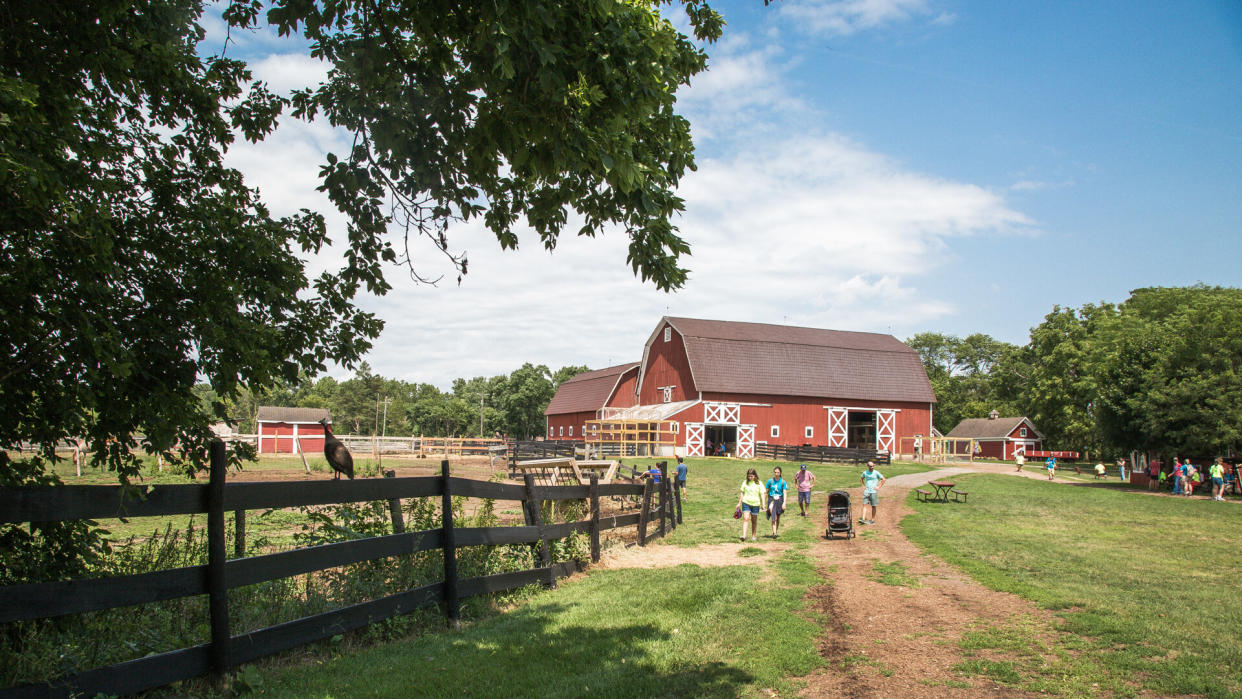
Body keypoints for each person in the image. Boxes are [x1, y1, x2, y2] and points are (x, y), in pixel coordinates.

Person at [737, 468, 765, 542]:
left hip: (755, 504)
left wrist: (763, 503)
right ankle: (744, 535)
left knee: (754, 520)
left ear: (755, 476)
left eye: (751, 476)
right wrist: (739, 503)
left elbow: (762, 494)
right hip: (746, 502)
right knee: (746, 518)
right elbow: (742, 493)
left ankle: (753, 535)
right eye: (749, 476)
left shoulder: (759, 483)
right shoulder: (745, 482)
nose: (750, 478)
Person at [765, 466, 789, 537]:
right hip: (771, 498)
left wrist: (784, 503)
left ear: (780, 473)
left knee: (777, 517)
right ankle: (774, 533)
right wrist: (764, 502)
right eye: (775, 472)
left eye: (778, 472)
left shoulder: (783, 482)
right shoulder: (770, 481)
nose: (776, 474)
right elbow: (766, 491)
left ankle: (775, 531)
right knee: (773, 513)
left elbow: (784, 492)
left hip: (779, 499)